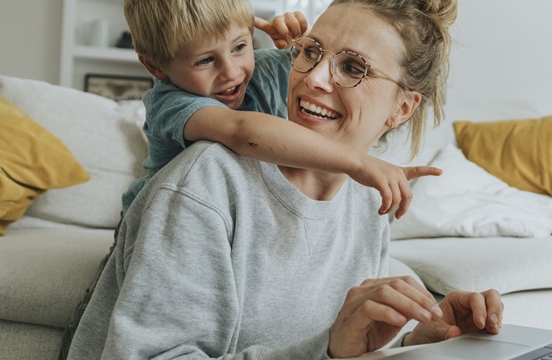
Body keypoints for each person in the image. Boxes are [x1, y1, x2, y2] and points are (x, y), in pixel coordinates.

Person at [65, 0, 502, 358]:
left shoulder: (367, 202)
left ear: (402, 108)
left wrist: (418, 341)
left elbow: (330, 346)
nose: (312, 77)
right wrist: (327, 349)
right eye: (311, 52)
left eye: (353, 67)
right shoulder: (204, 184)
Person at [121, 0, 439, 219]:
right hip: (158, 233)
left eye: (240, 47)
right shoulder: (170, 101)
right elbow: (241, 132)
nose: (232, 72)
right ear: (154, 65)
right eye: (205, 60)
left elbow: (315, 69)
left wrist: (300, 44)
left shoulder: (261, 69)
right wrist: (357, 162)